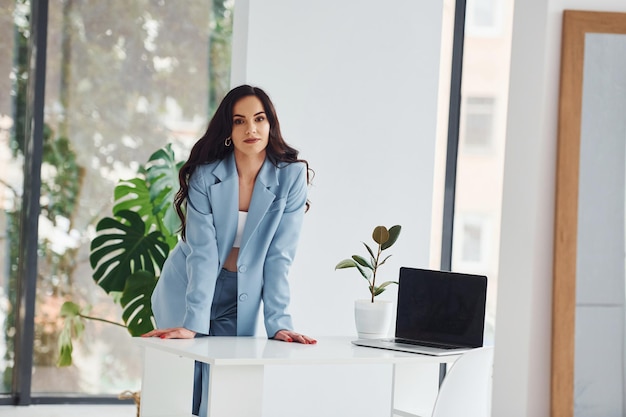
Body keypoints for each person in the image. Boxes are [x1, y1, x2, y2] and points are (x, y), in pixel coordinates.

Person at [142, 84, 316, 417]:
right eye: (239, 121)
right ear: (228, 131)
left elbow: (280, 256)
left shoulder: (291, 178)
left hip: (242, 294)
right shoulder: (206, 177)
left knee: (224, 392)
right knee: (181, 390)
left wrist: (278, 322)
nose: (251, 129)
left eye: (259, 118)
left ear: (270, 125)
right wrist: (192, 322)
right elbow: (203, 253)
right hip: (187, 285)